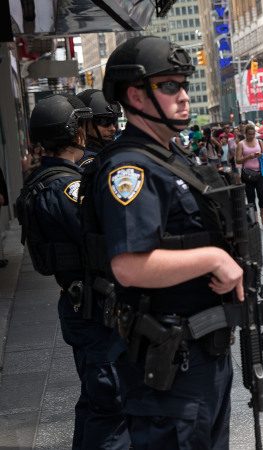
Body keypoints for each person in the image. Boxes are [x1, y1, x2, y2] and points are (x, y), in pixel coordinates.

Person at [81, 36, 245, 448]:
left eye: (183, 84)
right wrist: (212, 258)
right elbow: (129, 266)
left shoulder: (171, 156)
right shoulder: (129, 169)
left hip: (201, 352)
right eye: (169, 86)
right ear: (135, 95)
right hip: (171, 360)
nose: (184, 96)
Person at [18, 94, 129, 448]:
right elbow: (102, 234)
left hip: (82, 304)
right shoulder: (66, 187)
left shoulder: (43, 180)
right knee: (111, 407)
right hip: (95, 309)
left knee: (95, 402)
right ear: (74, 132)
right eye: (82, 125)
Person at [75, 89, 121, 167]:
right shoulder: (88, 163)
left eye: (114, 121)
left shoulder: (112, 152)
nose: (112, 128)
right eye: (104, 121)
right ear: (83, 123)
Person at [236, 124, 263, 226]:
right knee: (251, 197)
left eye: (253, 134)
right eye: (249, 134)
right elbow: (238, 160)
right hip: (247, 175)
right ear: (245, 134)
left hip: (260, 173)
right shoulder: (241, 144)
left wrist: (261, 155)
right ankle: (255, 218)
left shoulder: (259, 142)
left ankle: (262, 212)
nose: (251, 136)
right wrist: (249, 157)